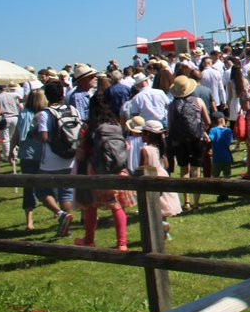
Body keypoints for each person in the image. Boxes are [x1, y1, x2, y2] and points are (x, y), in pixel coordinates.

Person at [73, 93, 135, 251]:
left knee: (91, 206)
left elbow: (83, 150)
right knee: (116, 205)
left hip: (95, 169)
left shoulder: (89, 127)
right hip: (117, 169)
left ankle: (89, 240)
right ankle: (122, 243)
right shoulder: (115, 124)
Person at [35, 80, 76, 237]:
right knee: (66, 192)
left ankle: (60, 214)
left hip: (51, 159)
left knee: (40, 189)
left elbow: (44, 137)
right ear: (62, 94)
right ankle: (67, 227)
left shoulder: (45, 113)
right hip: (70, 156)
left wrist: (35, 135)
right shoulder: (72, 109)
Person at [166, 75, 211, 212]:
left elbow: (169, 126)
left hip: (180, 141)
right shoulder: (198, 101)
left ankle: (186, 202)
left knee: (184, 170)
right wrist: (202, 130)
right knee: (196, 171)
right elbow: (208, 121)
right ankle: (196, 204)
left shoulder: (172, 105)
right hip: (196, 138)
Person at [140, 119, 182, 240]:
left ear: (147, 134)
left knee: (153, 206)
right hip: (162, 175)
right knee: (162, 206)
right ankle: (164, 229)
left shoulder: (145, 150)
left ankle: (160, 230)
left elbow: (144, 166)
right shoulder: (160, 149)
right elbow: (167, 165)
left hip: (152, 176)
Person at [14, 88, 46, 231]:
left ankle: (29, 221)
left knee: (29, 188)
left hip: (27, 154)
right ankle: (57, 213)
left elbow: (17, 134)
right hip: (41, 154)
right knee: (47, 185)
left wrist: (10, 152)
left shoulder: (23, 114)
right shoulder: (43, 114)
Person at [208, 112, 234, 201]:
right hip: (227, 157)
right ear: (222, 120)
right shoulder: (228, 130)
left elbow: (209, 139)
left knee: (215, 176)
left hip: (217, 157)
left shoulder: (213, 130)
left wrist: (205, 136)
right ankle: (226, 193)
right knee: (227, 176)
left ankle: (220, 192)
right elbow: (230, 141)